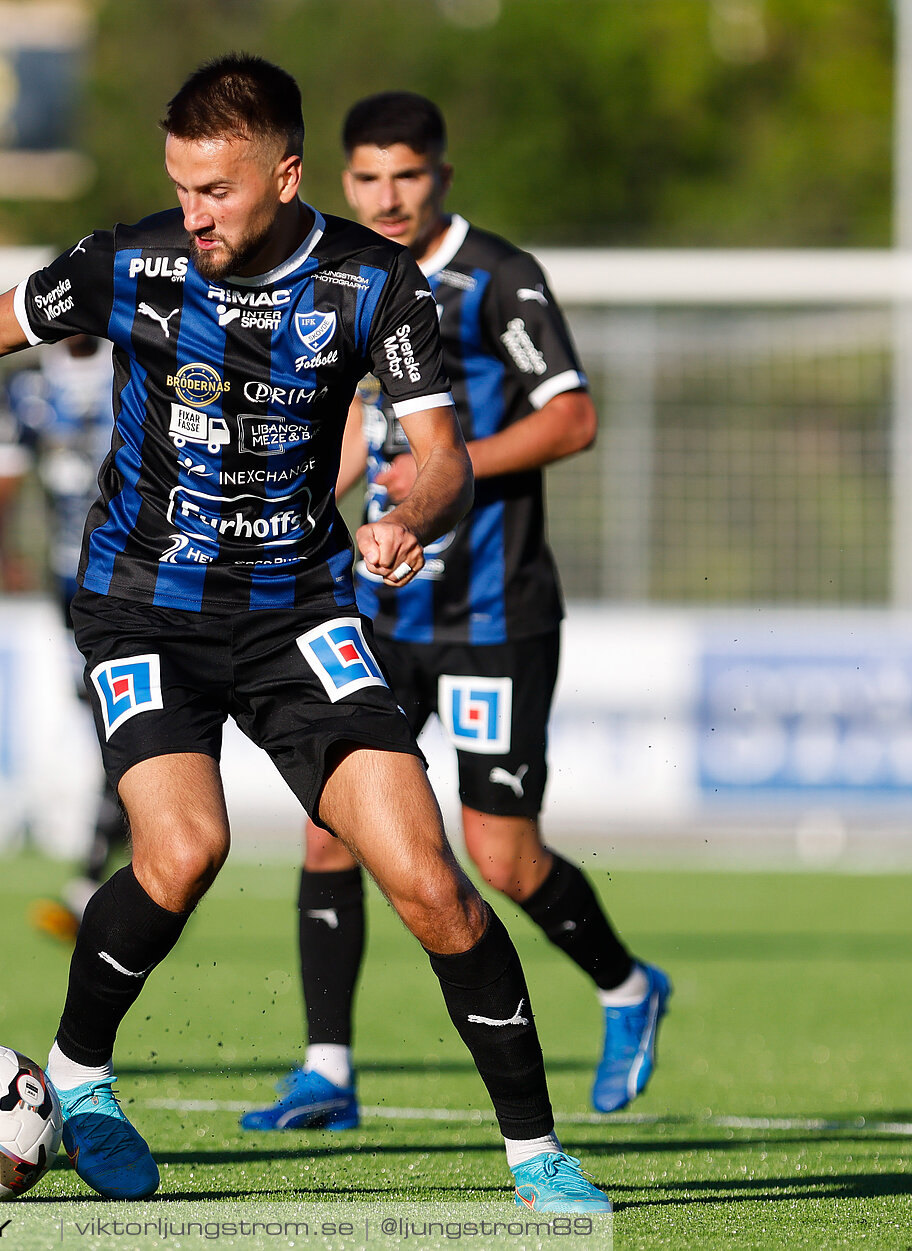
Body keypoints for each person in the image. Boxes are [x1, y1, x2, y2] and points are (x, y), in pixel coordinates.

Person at [0, 55, 610, 1213]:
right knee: (184, 852)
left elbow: (439, 457)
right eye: (182, 188)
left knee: (432, 881)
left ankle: (536, 1154)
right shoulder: (129, 262)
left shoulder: (373, 281)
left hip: (300, 612)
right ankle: (82, 1080)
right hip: (143, 607)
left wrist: (402, 515)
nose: (195, 216)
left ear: (285, 176)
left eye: (218, 192)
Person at [241, 92, 669, 1137]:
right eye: (370, 179)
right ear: (342, 179)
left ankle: (625, 988)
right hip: (383, 611)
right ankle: (326, 1072)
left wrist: (448, 468)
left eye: (410, 177)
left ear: (441, 174)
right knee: (332, 831)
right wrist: (287, 508)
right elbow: (354, 419)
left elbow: (573, 416)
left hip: (491, 611)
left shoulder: (499, 278)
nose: (389, 198)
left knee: (502, 857)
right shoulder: (340, 272)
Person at [0, 336, 128, 941]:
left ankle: (94, 878)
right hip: (73, 585)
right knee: (108, 723)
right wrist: (1, 552)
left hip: (147, 576)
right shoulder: (27, 389)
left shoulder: (143, 363)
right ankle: (106, 874)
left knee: (119, 721)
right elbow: (0, 482)